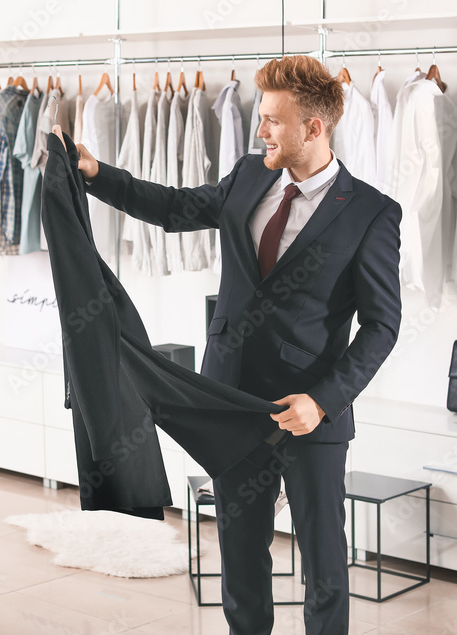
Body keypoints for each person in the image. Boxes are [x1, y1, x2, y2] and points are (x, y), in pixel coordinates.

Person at [75, 56, 402, 635]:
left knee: (324, 562)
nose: (261, 129)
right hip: (230, 401)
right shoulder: (250, 175)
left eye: (273, 120)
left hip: (308, 413)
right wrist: (97, 174)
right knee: (241, 555)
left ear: (313, 128)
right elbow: (176, 209)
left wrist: (322, 400)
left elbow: (381, 325)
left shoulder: (372, 213)